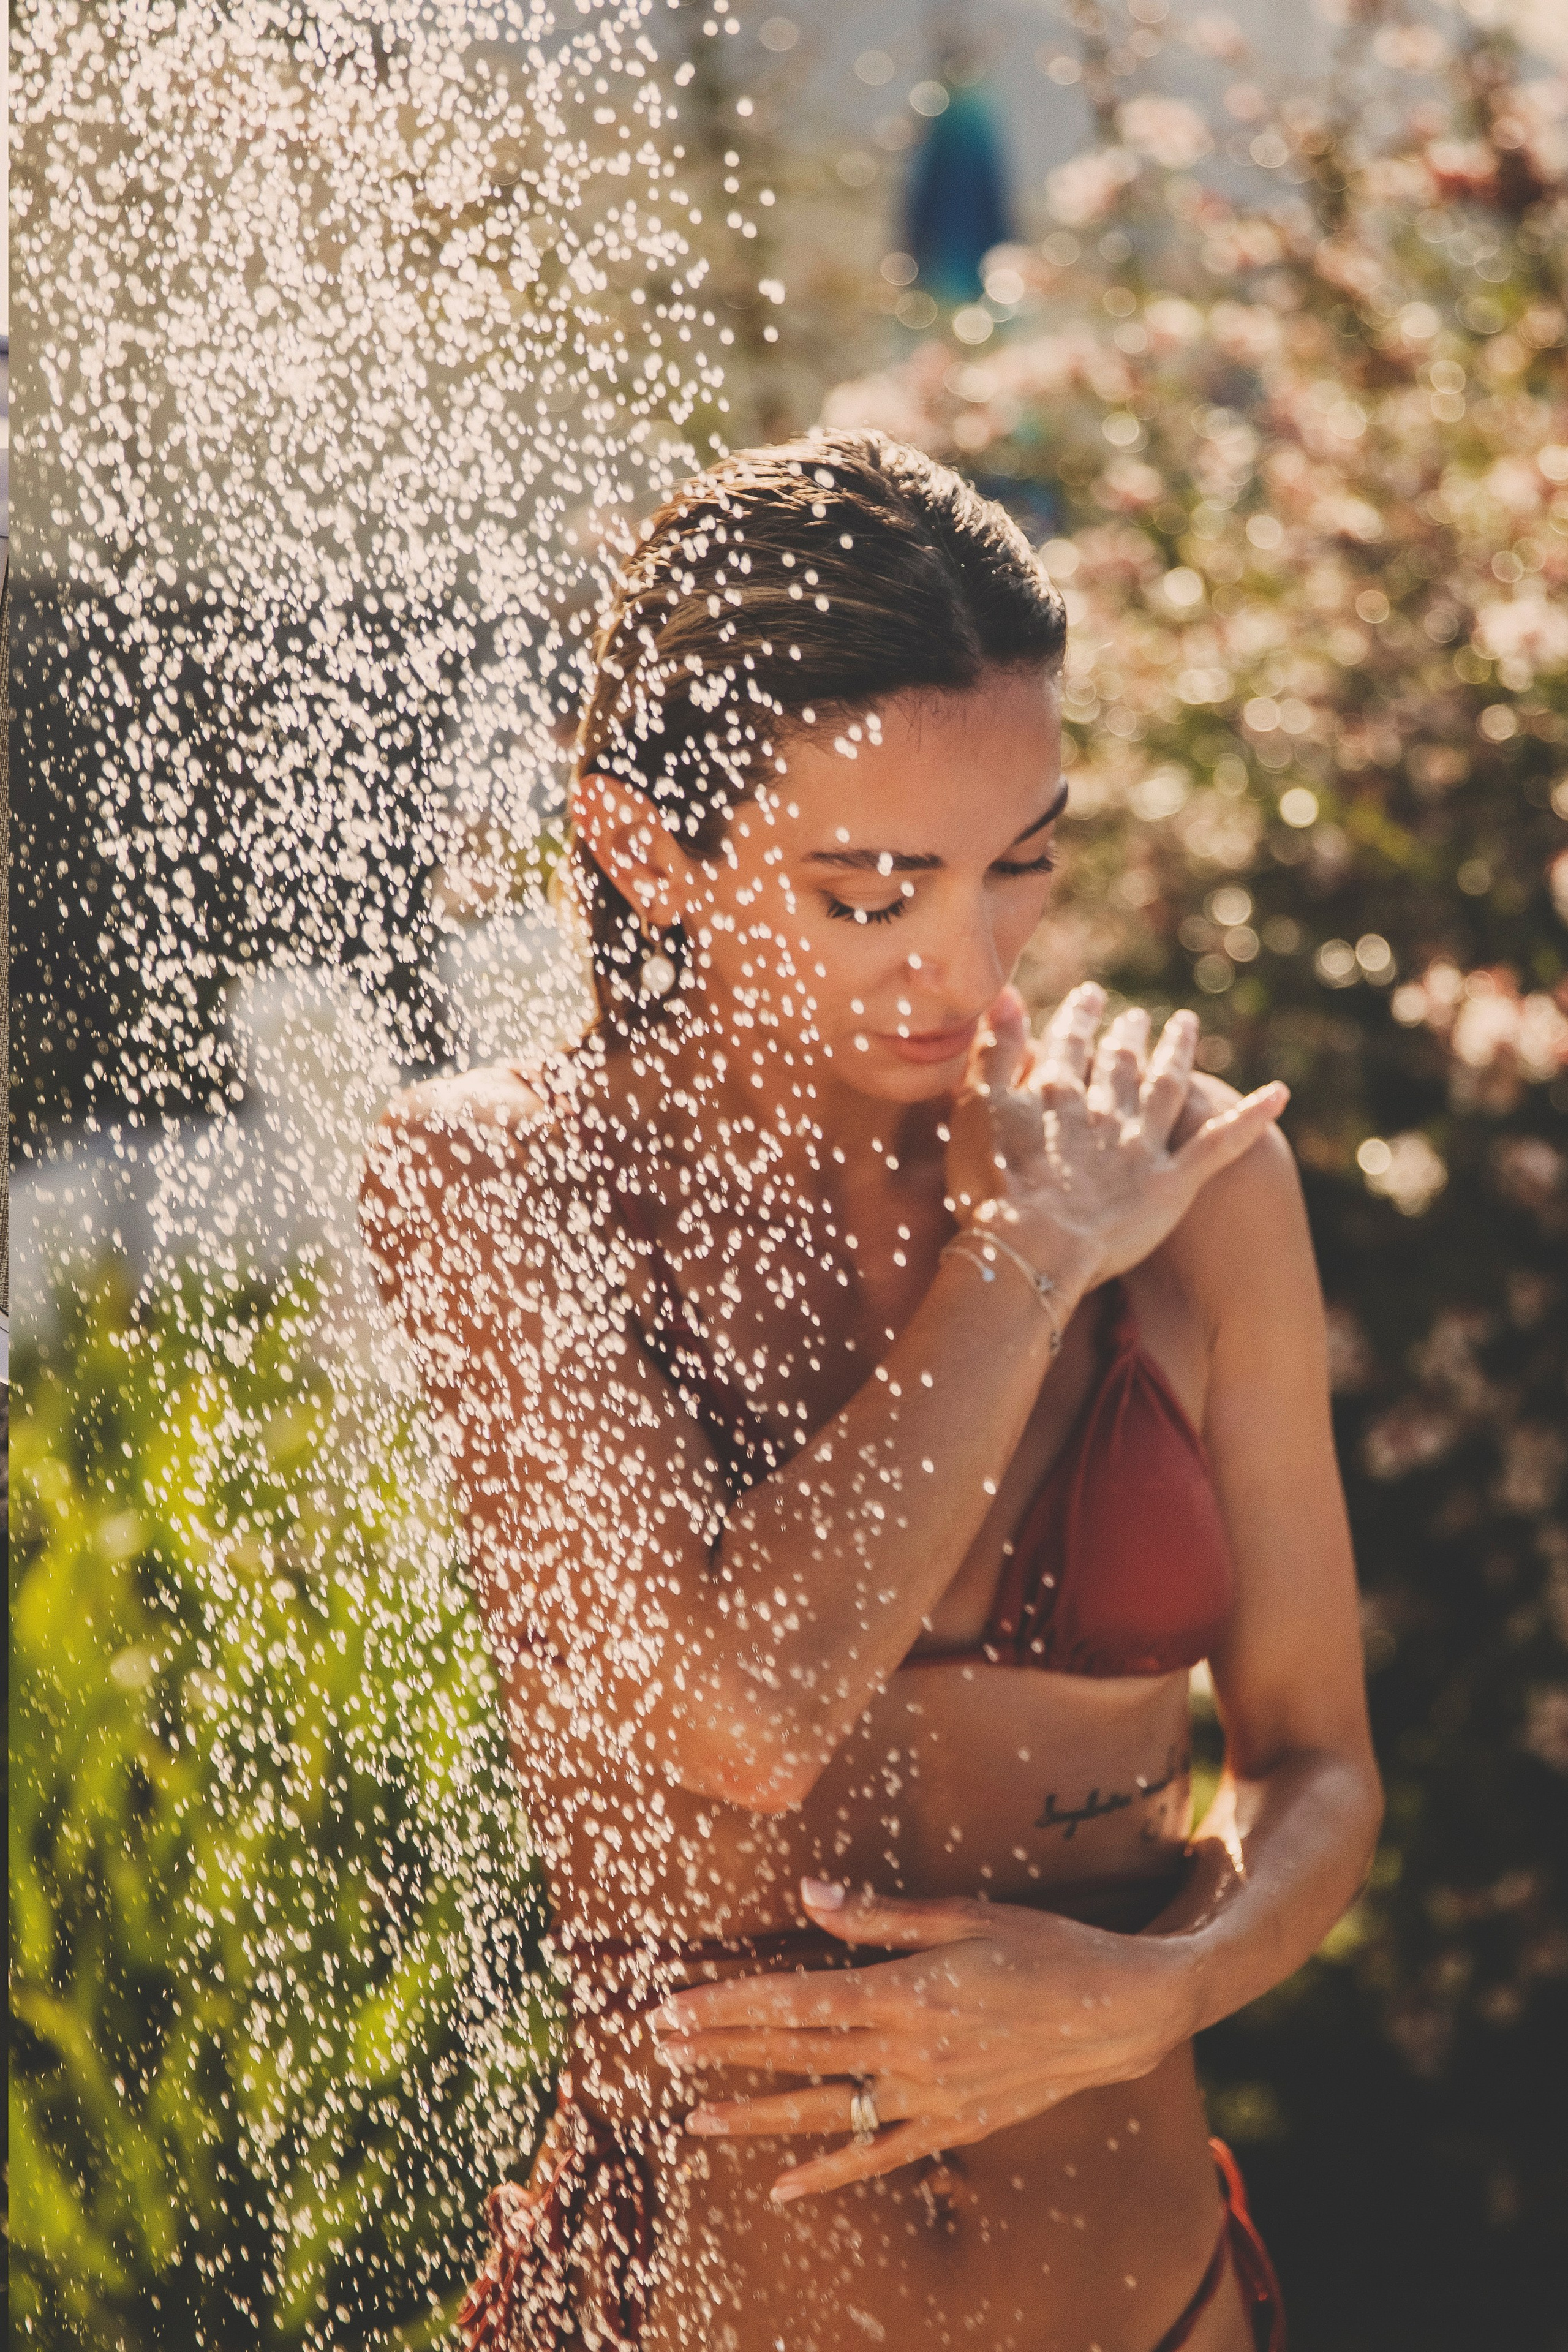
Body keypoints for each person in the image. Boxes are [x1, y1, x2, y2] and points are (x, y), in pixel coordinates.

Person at [361, 431, 1383, 2352]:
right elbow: (742, 1710)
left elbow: (1317, 1763)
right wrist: (1024, 1263)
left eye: (1023, 865)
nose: (966, 963)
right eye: (867, 893)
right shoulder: (500, 1187)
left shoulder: (1195, 1182)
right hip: (693, 2308)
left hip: (1151, 2298)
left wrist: (1161, 1990)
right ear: (639, 844)